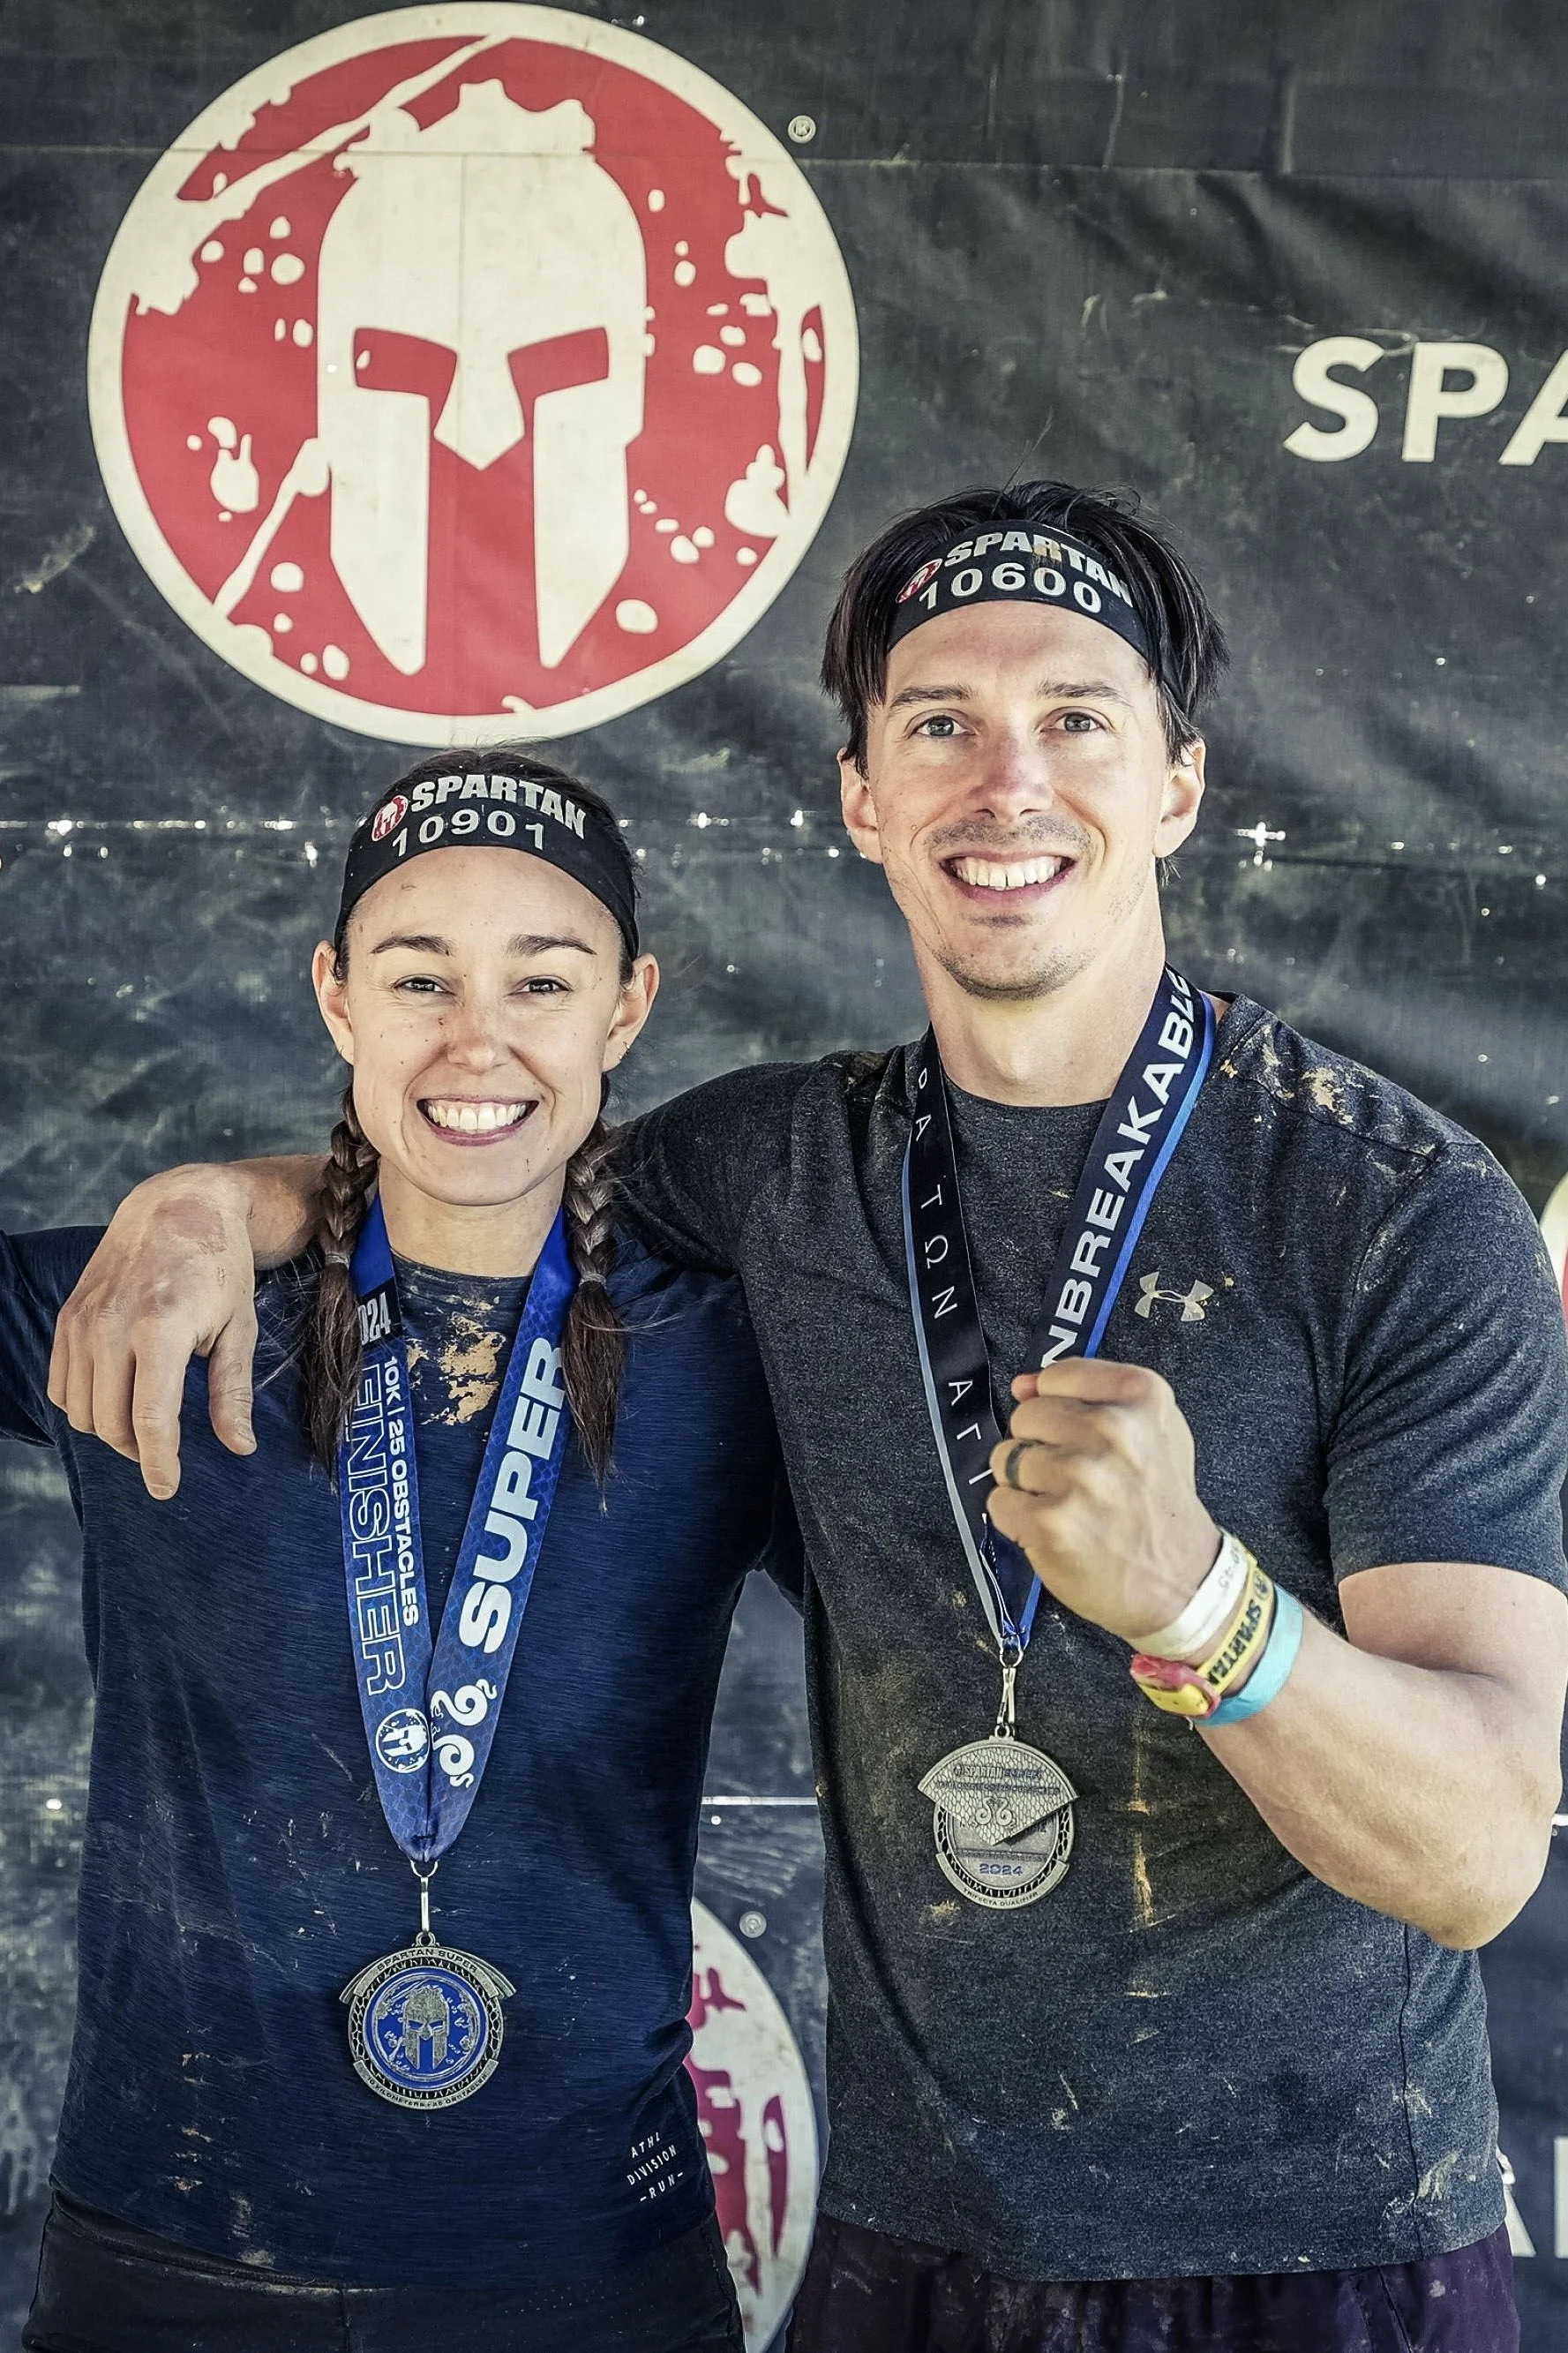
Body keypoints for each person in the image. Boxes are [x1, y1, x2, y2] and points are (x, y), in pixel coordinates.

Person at [55, 483, 1568, 2353]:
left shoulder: (1391, 1206)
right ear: (863, 796)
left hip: (1322, 2248)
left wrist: (1202, 1605)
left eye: (1075, 718)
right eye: (939, 723)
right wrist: (223, 1195)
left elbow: (1483, 1847)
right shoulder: (771, 1171)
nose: (1006, 781)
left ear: (1177, 782)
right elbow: (473, 1158)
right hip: (913, 2245)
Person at [12, 749, 796, 2350]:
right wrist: (186, 1203)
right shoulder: (147, 1307)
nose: (478, 1037)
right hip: (169, 2263)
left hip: (585, 2267)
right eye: (419, 974)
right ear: (336, 996)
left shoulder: (728, 1358)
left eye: (543, 979)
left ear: (626, 1009)